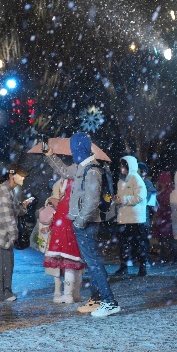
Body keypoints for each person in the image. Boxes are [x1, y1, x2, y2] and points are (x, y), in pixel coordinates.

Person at [45, 132, 121, 317]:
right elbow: (63, 171)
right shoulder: (80, 167)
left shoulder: (92, 170)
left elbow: (92, 200)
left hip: (86, 224)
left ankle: (110, 302)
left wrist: (79, 221)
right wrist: (50, 156)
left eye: (74, 147)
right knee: (91, 261)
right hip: (83, 223)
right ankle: (97, 300)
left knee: (94, 262)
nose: (72, 150)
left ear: (81, 148)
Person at [0, 164, 33, 302]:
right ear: (11, 176)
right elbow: (8, 219)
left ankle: (6, 292)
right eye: (21, 176)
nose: (23, 179)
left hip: (1, 232)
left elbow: (14, 210)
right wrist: (15, 237)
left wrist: (23, 206)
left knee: (7, 263)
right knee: (1, 265)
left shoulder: (8, 190)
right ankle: (1, 294)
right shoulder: (3, 193)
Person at [43, 177, 87, 304]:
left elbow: (60, 217)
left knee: (69, 266)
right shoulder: (75, 198)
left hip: (65, 235)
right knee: (77, 264)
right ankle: (76, 293)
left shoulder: (66, 202)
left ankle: (68, 295)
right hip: (73, 232)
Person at [113, 156, 150, 277]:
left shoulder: (135, 178)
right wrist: (117, 199)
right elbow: (122, 196)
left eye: (123, 166)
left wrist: (123, 199)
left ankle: (142, 266)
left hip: (135, 218)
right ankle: (124, 266)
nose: (120, 168)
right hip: (124, 217)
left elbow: (140, 196)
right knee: (124, 244)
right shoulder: (121, 180)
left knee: (139, 243)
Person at [153, 172, 177, 264]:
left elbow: (169, 203)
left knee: (169, 239)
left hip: (167, 217)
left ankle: (172, 257)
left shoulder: (169, 191)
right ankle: (165, 256)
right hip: (161, 217)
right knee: (162, 239)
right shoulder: (161, 190)